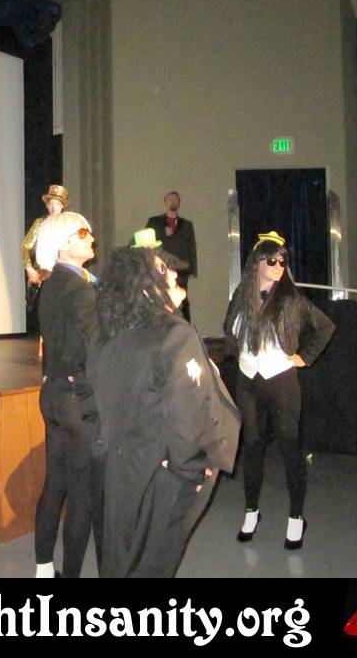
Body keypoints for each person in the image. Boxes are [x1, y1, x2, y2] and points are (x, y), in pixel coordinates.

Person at [86, 246, 238, 577]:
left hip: (118, 468)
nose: (171, 273)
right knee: (155, 562)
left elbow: (93, 399)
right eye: (162, 270)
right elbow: (189, 415)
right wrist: (194, 472)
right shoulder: (174, 334)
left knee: (121, 557)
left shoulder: (103, 333)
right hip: (164, 473)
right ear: (144, 285)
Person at [223, 231, 335, 549]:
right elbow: (227, 326)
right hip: (248, 379)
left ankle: (296, 516)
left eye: (283, 260)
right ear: (256, 262)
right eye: (271, 260)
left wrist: (304, 357)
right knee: (252, 447)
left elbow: (325, 326)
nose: (278, 265)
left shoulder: (291, 298)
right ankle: (251, 511)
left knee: (289, 447)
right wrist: (239, 349)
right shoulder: (241, 295)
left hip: (281, 380)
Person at [33, 211, 98, 578]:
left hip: (53, 393)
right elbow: (94, 347)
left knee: (54, 484)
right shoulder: (80, 288)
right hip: (77, 398)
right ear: (63, 243)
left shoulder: (50, 284)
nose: (92, 238)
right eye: (83, 233)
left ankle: (43, 570)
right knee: (81, 495)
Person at [145, 190, 197, 322]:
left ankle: (185, 327)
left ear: (179, 203)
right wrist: (164, 234)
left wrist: (193, 269)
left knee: (182, 301)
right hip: (160, 269)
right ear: (165, 203)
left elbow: (191, 247)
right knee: (161, 300)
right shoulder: (154, 222)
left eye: (175, 200)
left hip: (181, 270)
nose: (173, 202)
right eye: (170, 200)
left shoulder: (187, 225)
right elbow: (146, 241)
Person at [21, 184, 68, 287]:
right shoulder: (40, 223)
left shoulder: (68, 224)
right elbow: (25, 247)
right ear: (47, 205)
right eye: (51, 204)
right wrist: (29, 268)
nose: (53, 208)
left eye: (57, 204)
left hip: (63, 275)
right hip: (42, 275)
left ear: (62, 205)